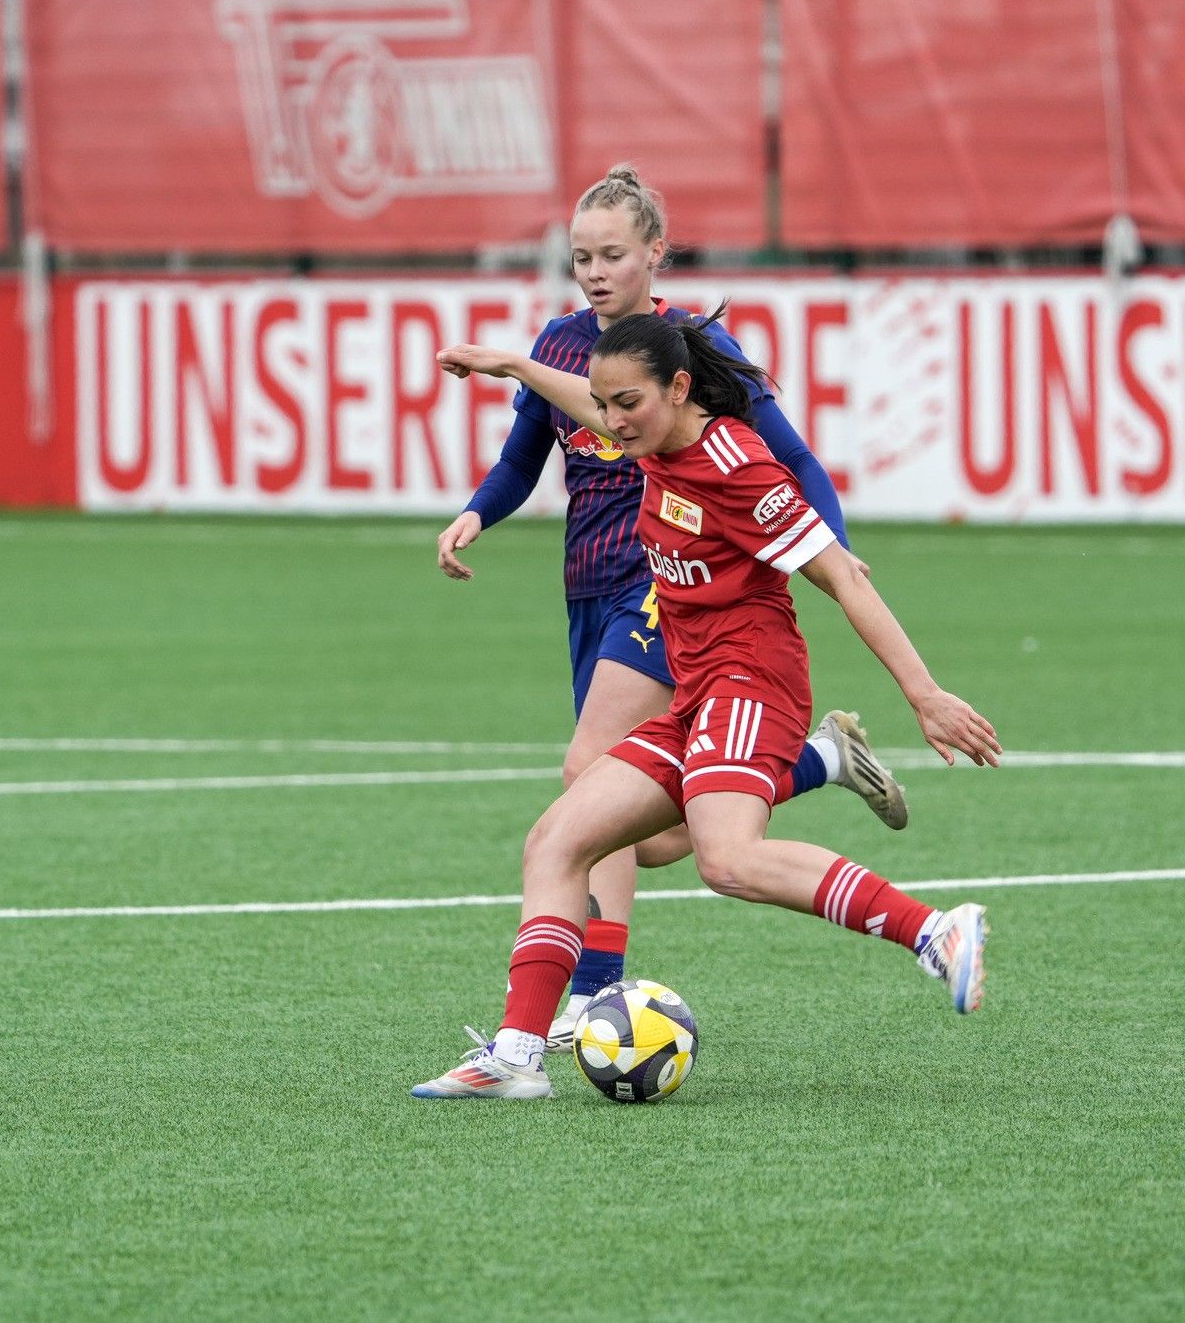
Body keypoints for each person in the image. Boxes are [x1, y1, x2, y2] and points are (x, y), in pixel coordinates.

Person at [414, 308, 1001, 1099]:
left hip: (754, 684)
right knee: (560, 839)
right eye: (606, 403)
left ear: (680, 387)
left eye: (628, 405)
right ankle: (516, 1057)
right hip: (697, 695)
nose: (612, 423)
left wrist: (924, 693)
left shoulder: (737, 467)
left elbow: (844, 577)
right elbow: (588, 406)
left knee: (725, 857)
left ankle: (935, 930)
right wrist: (513, 366)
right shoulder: (650, 433)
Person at [434, 165, 906, 1049]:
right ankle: (818, 761)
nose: (596, 271)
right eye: (581, 257)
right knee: (651, 835)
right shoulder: (562, 343)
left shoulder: (687, 351)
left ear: (656, 251)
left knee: (587, 766)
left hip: (665, 585)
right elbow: (520, 458)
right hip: (588, 584)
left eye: (613, 253)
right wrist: (474, 513)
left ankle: (593, 991)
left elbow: (793, 459)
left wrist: (831, 546)